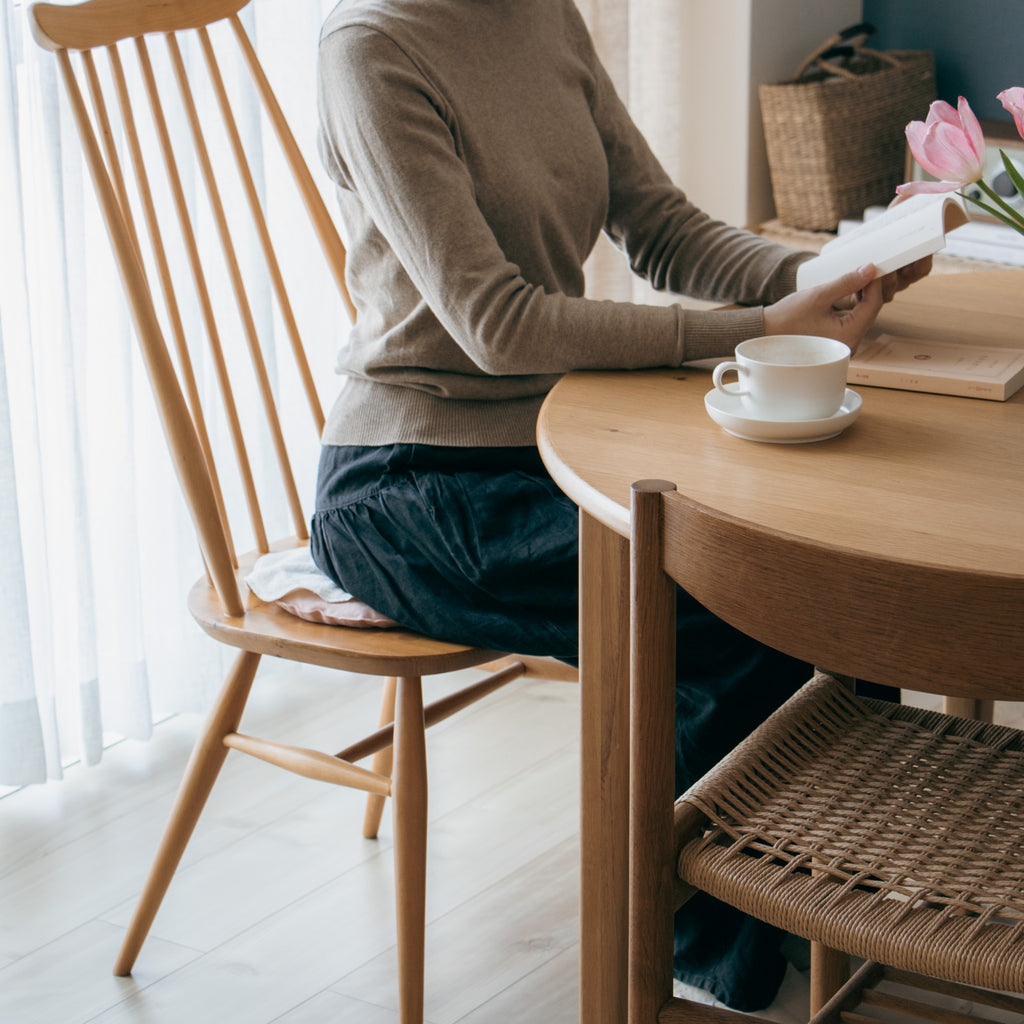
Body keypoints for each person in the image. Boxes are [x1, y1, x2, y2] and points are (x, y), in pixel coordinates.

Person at [310, 0, 931, 1010]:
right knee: (737, 591)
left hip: (555, 434)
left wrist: (825, 276)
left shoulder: (541, 12)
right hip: (411, 481)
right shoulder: (371, 47)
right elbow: (496, 326)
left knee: (824, 556)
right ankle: (704, 944)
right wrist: (750, 328)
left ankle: (821, 905)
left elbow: (659, 225)